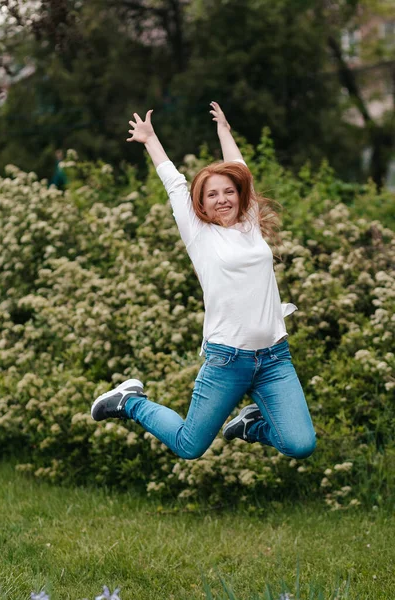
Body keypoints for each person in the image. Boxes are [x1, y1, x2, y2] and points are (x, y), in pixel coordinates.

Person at [90, 102, 317, 461]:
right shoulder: (199, 234)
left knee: (301, 444)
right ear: (201, 203)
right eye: (212, 194)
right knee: (189, 445)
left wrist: (224, 130)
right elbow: (174, 182)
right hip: (227, 359)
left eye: (228, 191)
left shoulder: (250, 222)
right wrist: (150, 140)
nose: (222, 199)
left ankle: (249, 426)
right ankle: (130, 401)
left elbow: (241, 169)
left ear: (239, 195)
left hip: (274, 356)